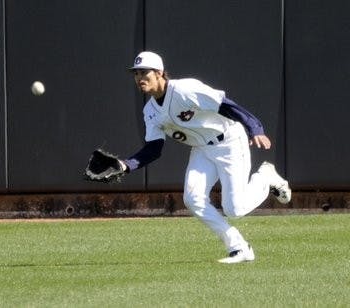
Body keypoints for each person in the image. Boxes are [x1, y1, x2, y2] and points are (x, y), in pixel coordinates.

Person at [121, 51, 291, 264]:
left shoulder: (184, 89)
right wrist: (125, 165)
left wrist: (254, 128)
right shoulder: (150, 111)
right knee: (192, 199)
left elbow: (225, 105)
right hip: (202, 149)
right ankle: (238, 247)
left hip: (229, 141)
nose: (139, 78)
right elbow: (154, 148)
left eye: (144, 72)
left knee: (234, 208)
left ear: (160, 73)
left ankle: (265, 177)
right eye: (136, 73)